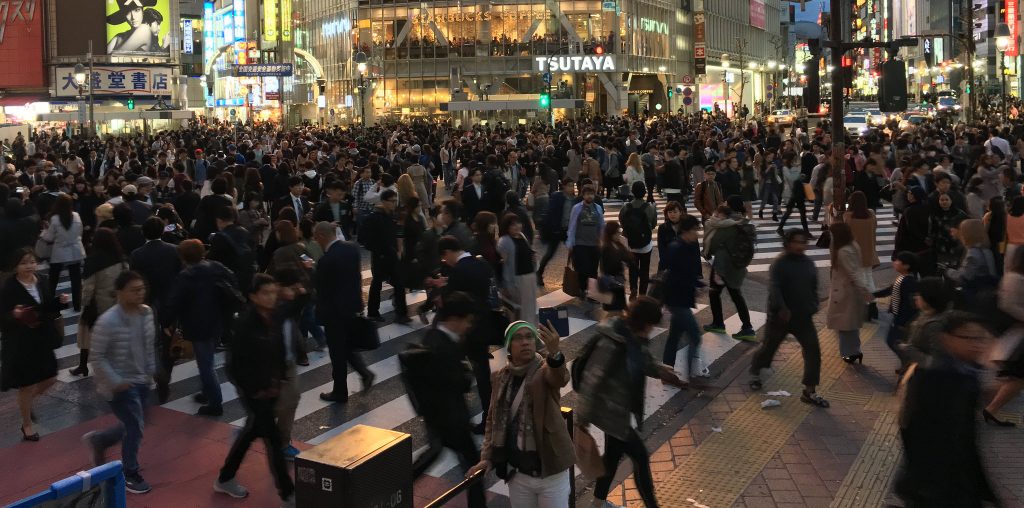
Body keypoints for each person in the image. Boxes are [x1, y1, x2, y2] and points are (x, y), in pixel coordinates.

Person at [576, 297, 687, 508]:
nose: (653, 330)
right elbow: (592, 380)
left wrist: (662, 371)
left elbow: (642, 360)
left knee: (611, 458)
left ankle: (597, 503)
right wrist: (582, 421)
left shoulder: (631, 337)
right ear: (644, 322)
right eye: (652, 325)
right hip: (610, 414)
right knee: (640, 457)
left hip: (617, 411)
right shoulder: (613, 340)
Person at [895, 311, 1000, 507]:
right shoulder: (932, 377)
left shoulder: (968, 374)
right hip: (935, 484)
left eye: (981, 338)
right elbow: (912, 430)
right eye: (967, 338)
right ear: (947, 339)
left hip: (953, 479)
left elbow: (966, 438)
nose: (976, 344)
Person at [467, 320, 574, 507]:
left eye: (529, 337)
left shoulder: (544, 370)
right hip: (518, 475)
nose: (525, 342)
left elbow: (559, 378)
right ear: (509, 346)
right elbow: (493, 419)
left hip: (550, 474)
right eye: (518, 338)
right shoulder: (501, 377)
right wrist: (487, 457)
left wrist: (555, 354)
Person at [213, 274, 296, 506]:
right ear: (253, 296)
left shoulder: (275, 315)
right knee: (273, 439)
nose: (271, 297)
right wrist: (252, 390)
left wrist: (281, 377)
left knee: (251, 433)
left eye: (273, 292)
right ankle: (287, 492)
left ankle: (225, 477)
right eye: (265, 293)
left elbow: (278, 346)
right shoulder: (245, 324)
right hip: (256, 392)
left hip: (271, 387)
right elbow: (233, 365)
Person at [82, 271, 155, 494]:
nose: (140, 294)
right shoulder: (108, 321)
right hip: (121, 384)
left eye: (142, 289)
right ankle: (129, 472)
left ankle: (100, 440)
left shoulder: (146, 313)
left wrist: (151, 370)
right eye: (134, 290)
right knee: (135, 426)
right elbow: (98, 356)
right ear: (120, 292)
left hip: (141, 379)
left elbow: (148, 344)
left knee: (136, 422)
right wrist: (116, 381)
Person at [412, 291, 487, 507]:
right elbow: (455, 383)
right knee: (473, 464)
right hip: (451, 418)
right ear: (454, 319)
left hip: (438, 415)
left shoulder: (434, 337)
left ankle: (401, 483)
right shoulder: (443, 346)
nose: (468, 326)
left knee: (434, 453)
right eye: (467, 321)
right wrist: (467, 374)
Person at [749, 230, 830, 408]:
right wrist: (782, 309)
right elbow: (775, 288)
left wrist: (814, 305)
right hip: (780, 317)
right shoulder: (779, 264)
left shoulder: (808, 264)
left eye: (803, 242)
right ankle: (755, 371)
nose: (801, 246)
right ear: (788, 243)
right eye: (797, 242)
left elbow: (814, 287)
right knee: (769, 347)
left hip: (803, 317)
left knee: (812, 350)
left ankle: (810, 391)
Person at [1, 248, 69, 441]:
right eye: (24, 263)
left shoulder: (42, 280)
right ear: (15, 266)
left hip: (42, 337)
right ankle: (27, 425)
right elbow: (3, 318)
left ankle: (28, 403)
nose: (29, 266)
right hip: (22, 342)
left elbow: (46, 306)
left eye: (32, 262)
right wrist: (14, 315)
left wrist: (60, 302)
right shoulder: (9, 288)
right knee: (27, 385)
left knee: (51, 377)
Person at [165, 239, 237, 416]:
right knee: (207, 359)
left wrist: (166, 321)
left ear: (183, 257)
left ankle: (215, 402)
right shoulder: (216, 267)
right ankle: (207, 392)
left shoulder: (186, 276)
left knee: (205, 365)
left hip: (197, 323)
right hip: (217, 319)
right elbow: (232, 279)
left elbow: (174, 302)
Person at [312, 221, 374, 403]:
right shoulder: (351, 249)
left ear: (322, 236)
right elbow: (356, 277)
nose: (316, 242)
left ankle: (340, 391)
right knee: (346, 347)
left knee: (337, 353)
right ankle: (364, 373)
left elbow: (322, 288)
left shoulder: (326, 259)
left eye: (316, 238)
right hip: (352, 306)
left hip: (334, 313)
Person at [129, 216, 182, 403]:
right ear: (163, 231)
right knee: (169, 337)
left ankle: (157, 371)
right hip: (170, 299)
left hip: (147, 299)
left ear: (144, 232)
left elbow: (135, 279)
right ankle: (165, 372)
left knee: (151, 340)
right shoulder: (174, 250)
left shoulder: (137, 254)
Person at [71, 228, 128, 378]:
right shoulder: (120, 259)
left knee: (86, 336)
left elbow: (88, 287)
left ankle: (83, 365)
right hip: (117, 304)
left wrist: (84, 303)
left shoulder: (93, 261)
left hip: (97, 305)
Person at [662, 215, 709, 381]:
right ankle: (691, 375)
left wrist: (699, 284)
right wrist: (695, 286)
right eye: (695, 230)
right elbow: (677, 276)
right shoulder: (677, 247)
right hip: (677, 300)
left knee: (674, 336)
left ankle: (667, 372)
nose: (697, 234)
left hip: (680, 299)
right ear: (687, 231)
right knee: (695, 336)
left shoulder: (686, 246)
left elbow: (686, 273)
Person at [981, 246, 1024, 427]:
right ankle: (988, 407)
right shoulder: (1014, 278)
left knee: (1013, 378)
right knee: (1016, 378)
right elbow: (1008, 305)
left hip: (1017, 335)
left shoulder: (1016, 277)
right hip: (1016, 335)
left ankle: (989, 408)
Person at [702, 198, 756, 340]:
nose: (714, 216)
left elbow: (713, 248)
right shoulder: (739, 223)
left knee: (715, 293)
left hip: (724, 267)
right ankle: (747, 327)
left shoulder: (724, 228)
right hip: (736, 266)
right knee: (736, 296)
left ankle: (721, 324)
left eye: (717, 214)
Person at [825, 222, 873, 364]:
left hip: (844, 292)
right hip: (848, 291)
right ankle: (854, 351)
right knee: (850, 324)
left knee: (844, 325)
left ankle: (850, 353)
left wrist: (865, 290)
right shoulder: (853, 245)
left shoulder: (842, 251)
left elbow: (852, 273)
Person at [873, 252, 920, 375]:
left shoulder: (909, 282)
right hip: (899, 318)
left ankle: (909, 364)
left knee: (893, 341)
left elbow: (909, 305)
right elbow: (890, 290)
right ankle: (906, 364)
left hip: (903, 320)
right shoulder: (902, 278)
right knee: (896, 342)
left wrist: (901, 321)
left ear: (906, 266)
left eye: (898, 261)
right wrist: (873, 294)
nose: (894, 262)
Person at [42, 194, 86, 311]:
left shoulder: (55, 219)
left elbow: (49, 238)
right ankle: (77, 305)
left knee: (53, 280)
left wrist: (43, 233)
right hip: (75, 251)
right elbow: (80, 233)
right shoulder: (76, 216)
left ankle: (49, 303)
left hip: (59, 252)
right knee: (76, 280)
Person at [844, 191, 881, 319]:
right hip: (869, 251)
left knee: (860, 280)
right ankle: (872, 306)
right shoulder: (871, 213)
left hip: (854, 254)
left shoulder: (848, 216)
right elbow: (875, 227)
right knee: (868, 278)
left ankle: (866, 308)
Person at [497, 213, 538, 325]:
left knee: (530, 308)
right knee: (522, 310)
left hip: (529, 277)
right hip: (518, 280)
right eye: (513, 225)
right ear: (507, 227)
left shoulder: (522, 236)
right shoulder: (504, 241)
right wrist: (505, 286)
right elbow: (503, 266)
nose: (517, 226)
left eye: (518, 223)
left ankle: (530, 331)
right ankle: (523, 332)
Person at [566, 184, 605, 300]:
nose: (590, 196)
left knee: (593, 270)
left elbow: (601, 226)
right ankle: (582, 289)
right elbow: (572, 226)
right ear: (583, 195)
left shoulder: (598, 208)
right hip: (580, 244)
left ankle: (592, 293)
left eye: (592, 194)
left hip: (594, 244)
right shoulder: (577, 208)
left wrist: (603, 240)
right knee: (582, 269)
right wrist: (570, 243)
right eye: (587, 194)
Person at [619, 181, 656, 300]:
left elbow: (622, 221)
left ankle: (633, 288)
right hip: (645, 245)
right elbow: (654, 224)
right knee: (644, 270)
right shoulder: (649, 207)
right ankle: (642, 294)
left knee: (632, 269)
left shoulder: (626, 207)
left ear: (632, 192)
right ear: (644, 192)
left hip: (631, 244)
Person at [537, 179, 575, 285]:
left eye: (572, 186)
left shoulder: (573, 199)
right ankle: (539, 273)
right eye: (569, 185)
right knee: (550, 253)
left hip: (568, 230)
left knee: (574, 253)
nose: (571, 188)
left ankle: (570, 277)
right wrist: (554, 229)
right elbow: (551, 213)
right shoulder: (557, 196)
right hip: (557, 230)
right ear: (563, 186)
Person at [598, 221, 630, 314]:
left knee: (619, 307)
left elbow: (627, 257)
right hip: (611, 282)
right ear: (610, 233)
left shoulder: (618, 244)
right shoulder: (606, 247)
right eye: (616, 233)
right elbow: (605, 267)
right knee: (614, 310)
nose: (618, 235)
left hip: (618, 281)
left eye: (619, 232)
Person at [655, 201, 684, 271]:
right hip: (668, 264)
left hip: (684, 262)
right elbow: (661, 248)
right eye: (669, 212)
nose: (672, 214)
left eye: (675, 212)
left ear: (680, 212)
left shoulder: (686, 226)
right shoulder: (662, 228)